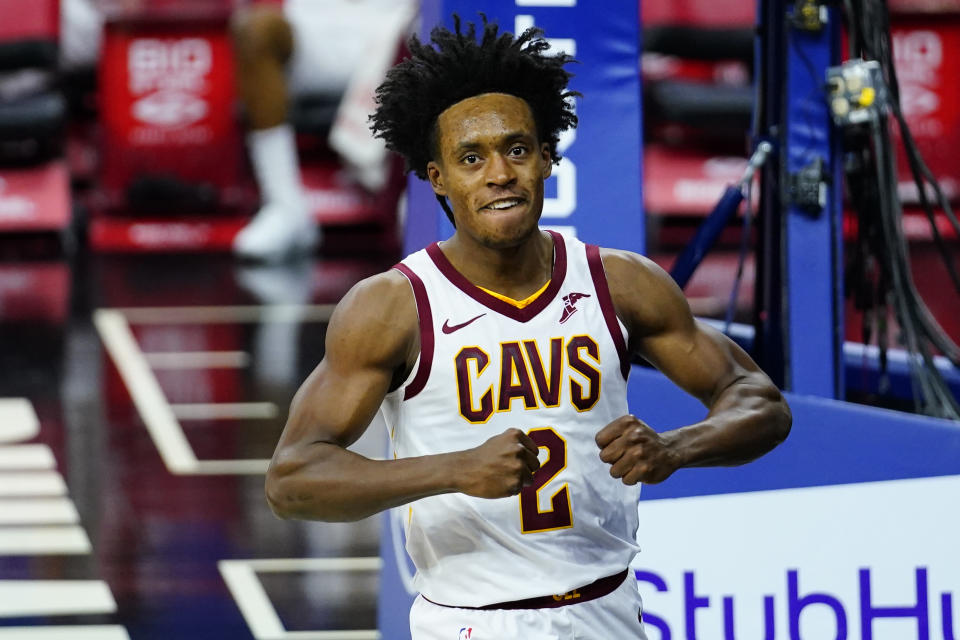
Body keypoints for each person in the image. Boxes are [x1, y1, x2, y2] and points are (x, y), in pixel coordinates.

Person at [265, 16, 792, 639]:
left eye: (516, 149)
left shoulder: (619, 281)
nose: (499, 174)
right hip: (470, 622)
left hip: (609, 609)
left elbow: (761, 404)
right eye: (471, 158)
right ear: (439, 179)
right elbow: (293, 480)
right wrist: (452, 470)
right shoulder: (393, 305)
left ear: (547, 158)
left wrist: (676, 449)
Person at [59, 0, 416, 261]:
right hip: (310, 29)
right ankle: (286, 207)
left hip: (397, 30)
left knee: (445, 42)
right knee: (254, 30)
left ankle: (419, 200)